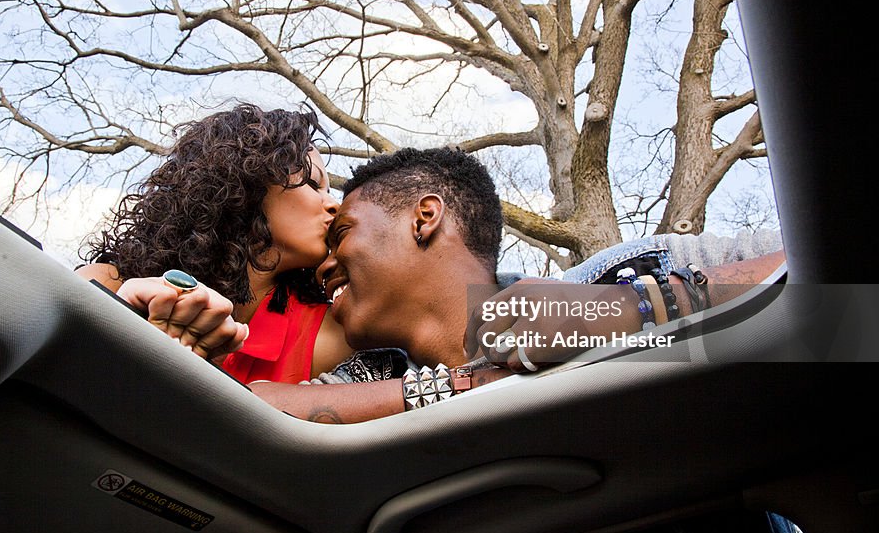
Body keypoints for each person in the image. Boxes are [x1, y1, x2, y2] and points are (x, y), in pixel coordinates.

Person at [251, 147, 785, 422]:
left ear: (424, 217)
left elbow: (851, 303)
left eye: (343, 232)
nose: (325, 266)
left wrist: (627, 310)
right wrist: (470, 384)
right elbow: (262, 415)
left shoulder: (638, 266)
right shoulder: (362, 378)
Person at [76, 104, 354, 383]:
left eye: (330, 192)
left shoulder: (331, 336)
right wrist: (121, 324)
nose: (334, 205)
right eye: (312, 183)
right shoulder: (108, 284)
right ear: (247, 178)